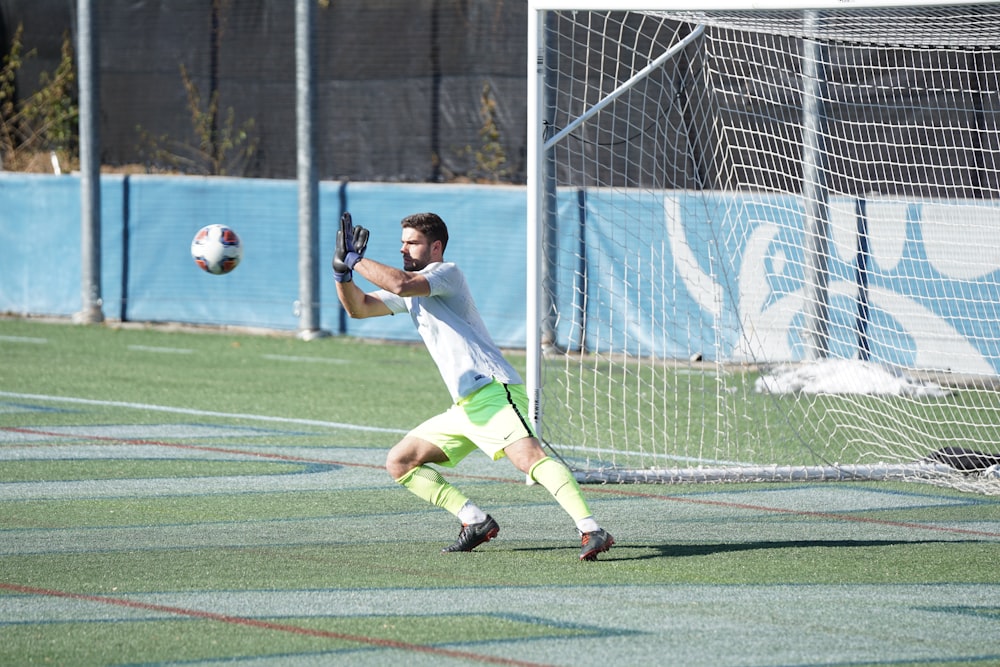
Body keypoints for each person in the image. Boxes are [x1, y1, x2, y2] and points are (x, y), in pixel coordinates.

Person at [332, 211, 614, 560]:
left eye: (412, 242)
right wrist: (341, 274)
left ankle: (591, 529)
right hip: (465, 406)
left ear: (435, 247)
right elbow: (359, 308)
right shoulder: (410, 287)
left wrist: (355, 260)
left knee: (529, 459)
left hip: (494, 390)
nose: (404, 248)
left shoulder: (445, 274)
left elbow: (401, 283)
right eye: (402, 242)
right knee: (401, 462)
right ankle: (474, 521)